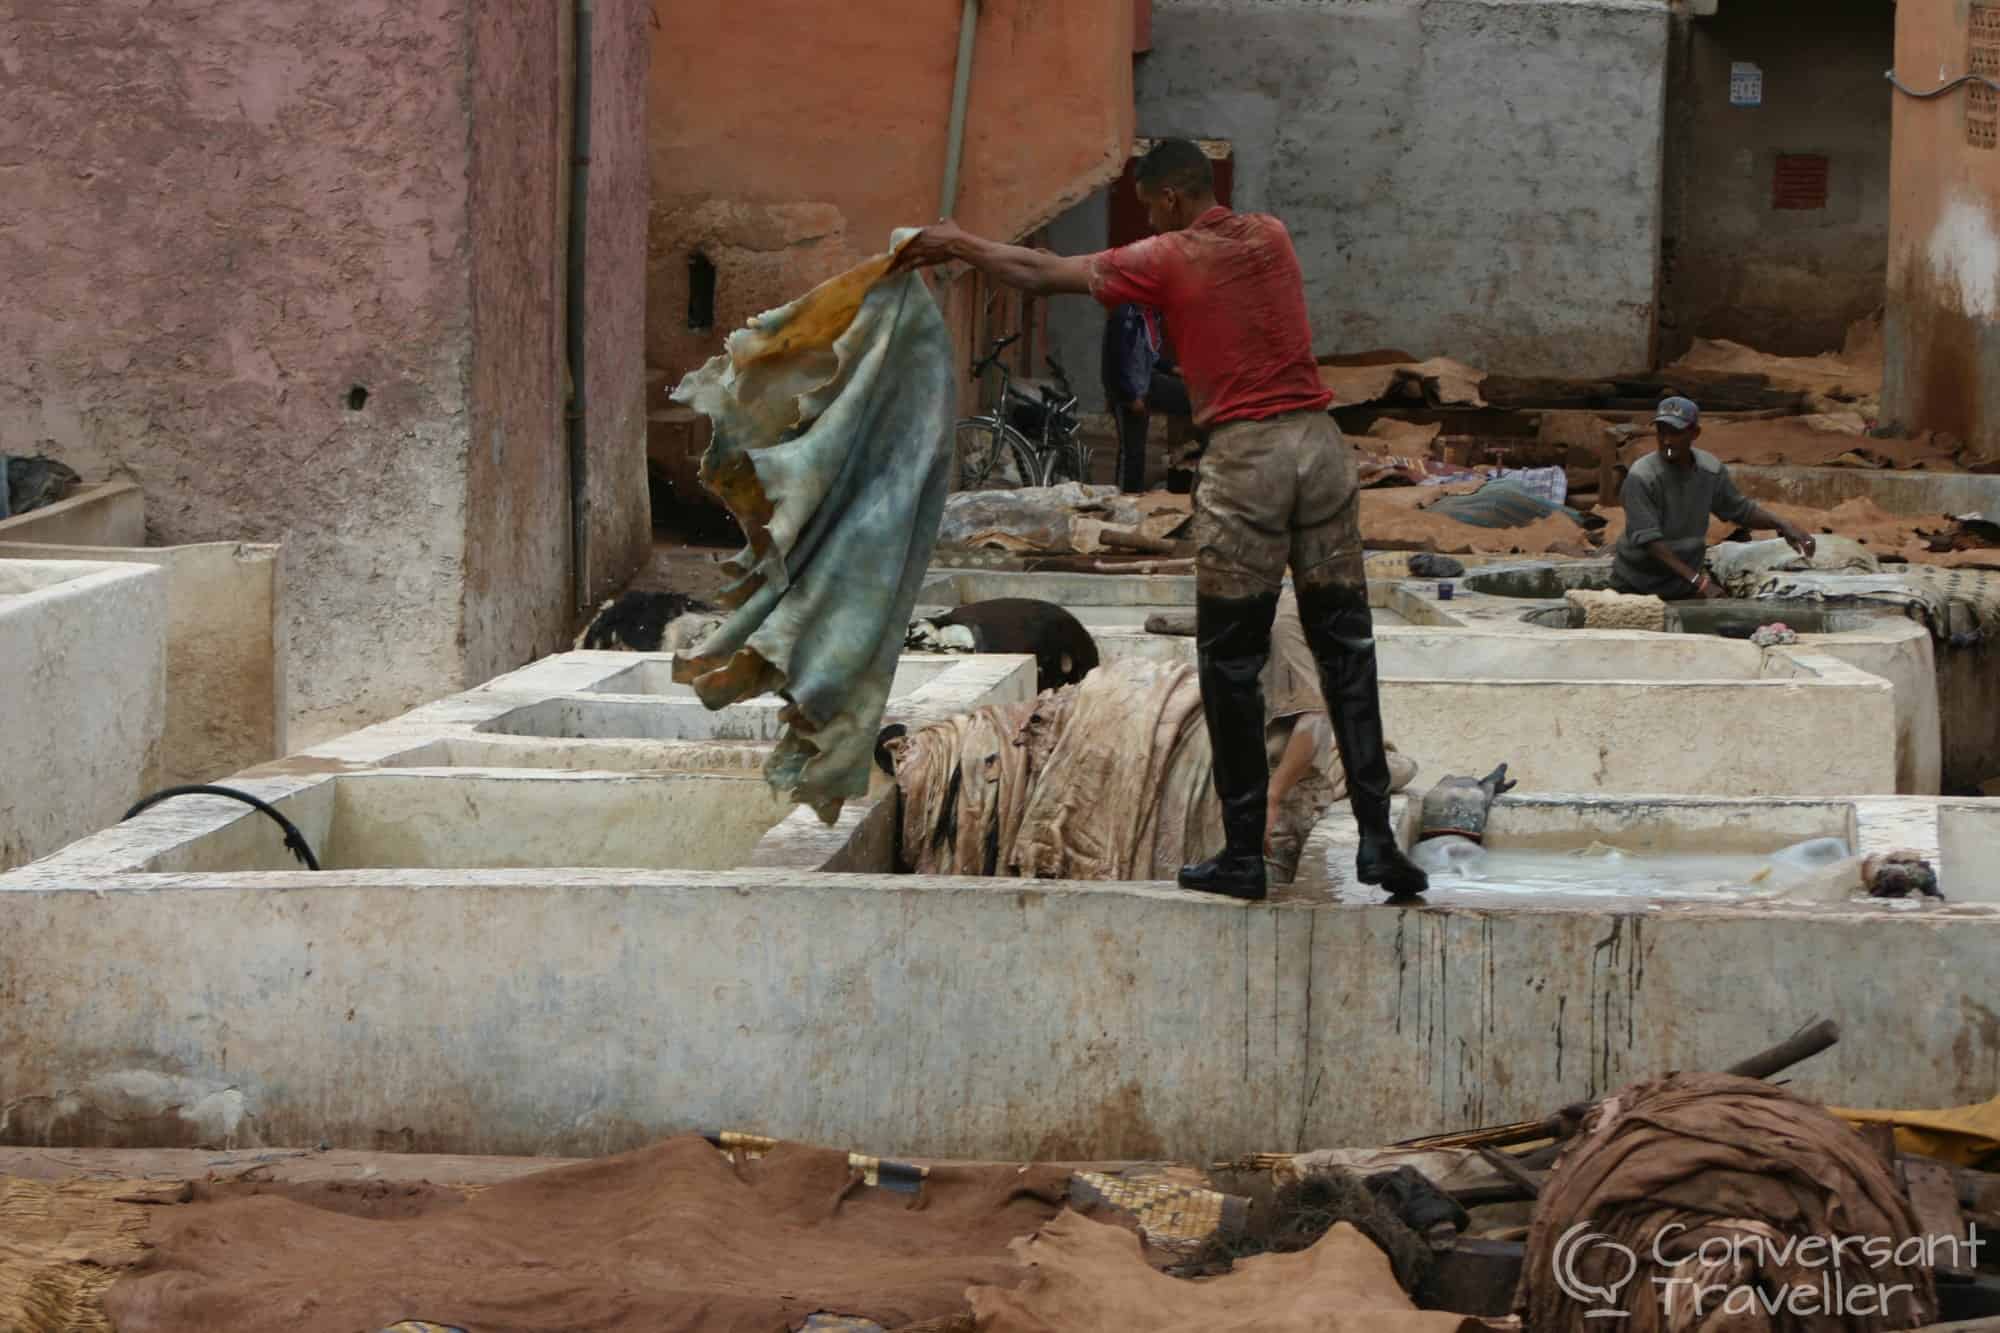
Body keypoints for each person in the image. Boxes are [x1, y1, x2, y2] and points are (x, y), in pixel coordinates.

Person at [894, 138, 1428, 900]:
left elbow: (1040, 275)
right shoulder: (1270, 235)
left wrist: (959, 244)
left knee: (1232, 661)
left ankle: (1242, 853)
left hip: (1249, 462)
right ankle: (1379, 842)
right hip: (1321, 448)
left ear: (1171, 201)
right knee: (1347, 649)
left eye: (1150, 204)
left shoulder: (1170, 254)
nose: (1149, 216)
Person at [1612, 396, 1817, 600]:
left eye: (1675, 433)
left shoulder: (1709, 469)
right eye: (1661, 432)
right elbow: (1650, 542)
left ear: (1695, 433)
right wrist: (1699, 582)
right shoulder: (1643, 476)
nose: (1667, 440)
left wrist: (1783, 524)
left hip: (1681, 585)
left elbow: (1740, 510)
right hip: (1636, 586)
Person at [1101, 302, 1193, 493]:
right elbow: (1116, 361)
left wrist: (1173, 369)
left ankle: (1191, 455)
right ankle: (1126, 496)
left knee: (1190, 398)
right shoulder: (1124, 315)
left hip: (1147, 379)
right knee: (1133, 451)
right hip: (1128, 387)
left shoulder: (1152, 314)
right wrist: (1130, 397)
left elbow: (1150, 355)